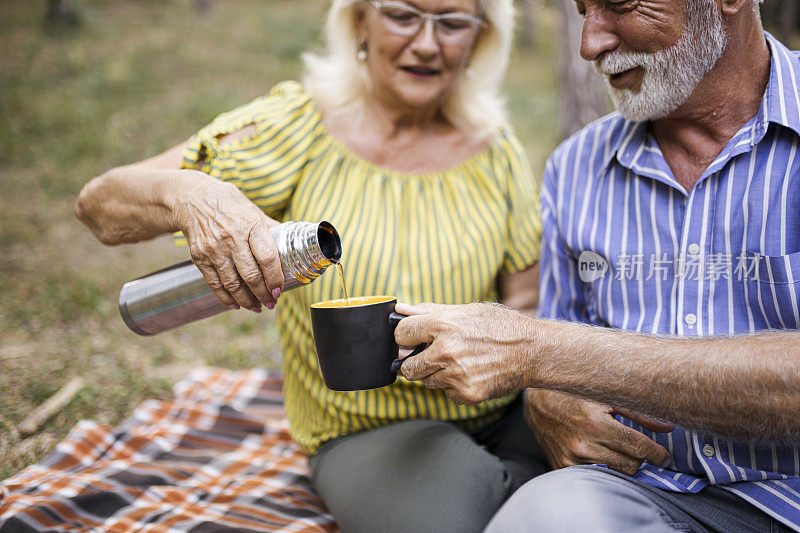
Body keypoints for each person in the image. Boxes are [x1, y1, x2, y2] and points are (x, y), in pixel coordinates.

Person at [74, 1, 547, 531]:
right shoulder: (299, 127)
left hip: (501, 411)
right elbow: (99, 206)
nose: (428, 43)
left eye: (453, 23)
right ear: (359, 20)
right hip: (368, 430)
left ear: (480, 39)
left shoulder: (495, 149)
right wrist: (190, 195)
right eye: (403, 14)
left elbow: (526, 300)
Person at [393, 0, 800, 530]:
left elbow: (551, 350)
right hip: (641, 495)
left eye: (620, 5)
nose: (590, 44)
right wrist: (545, 397)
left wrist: (537, 352)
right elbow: (554, 368)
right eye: (584, 10)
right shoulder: (576, 168)